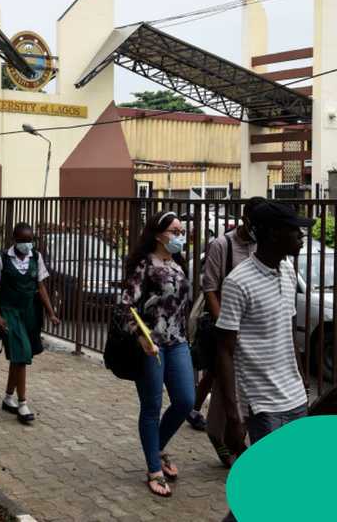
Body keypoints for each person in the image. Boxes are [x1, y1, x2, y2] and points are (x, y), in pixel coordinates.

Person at [216, 201, 311, 522]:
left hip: (296, 399)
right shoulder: (238, 282)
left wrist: (301, 381)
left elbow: (287, 334)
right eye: (293, 230)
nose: (301, 236)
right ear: (272, 235)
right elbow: (225, 350)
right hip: (263, 405)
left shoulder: (287, 271)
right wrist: (233, 415)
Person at [119, 210, 196, 497]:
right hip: (151, 345)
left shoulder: (178, 263)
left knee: (186, 400)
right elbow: (126, 305)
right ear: (158, 234)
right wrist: (141, 337)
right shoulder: (144, 265)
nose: (179, 236)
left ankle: (157, 446)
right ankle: (153, 468)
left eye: (181, 231)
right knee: (151, 407)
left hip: (177, 342)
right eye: (174, 232)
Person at [196, 197, 264, 467]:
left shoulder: (262, 246)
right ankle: (223, 436)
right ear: (246, 219)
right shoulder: (222, 245)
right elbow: (210, 288)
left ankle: (223, 434)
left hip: (254, 331)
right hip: (228, 328)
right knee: (226, 382)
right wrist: (226, 324)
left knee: (233, 384)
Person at [0, 222, 59, 425]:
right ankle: (23, 404)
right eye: (22, 241)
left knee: (18, 357)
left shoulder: (36, 257)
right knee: (23, 353)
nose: (26, 245)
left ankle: (8, 397)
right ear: (14, 240)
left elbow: (41, 287)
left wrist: (51, 313)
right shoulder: (2, 258)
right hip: (10, 312)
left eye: (30, 241)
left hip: (29, 313)